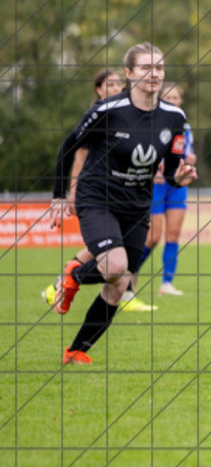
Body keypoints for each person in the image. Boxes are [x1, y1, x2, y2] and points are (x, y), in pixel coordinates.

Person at [47, 43, 198, 365]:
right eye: (145, 67)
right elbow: (67, 147)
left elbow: (170, 172)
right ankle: (72, 277)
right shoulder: (107, 110)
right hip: (97, 198)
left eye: (159, 67)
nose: (153, 74)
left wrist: (179, 178)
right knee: (115, 268)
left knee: (118, 285)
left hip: (136, 205)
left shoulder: (174, 118)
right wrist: (60, 196)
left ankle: (75, 352)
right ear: (129, 74)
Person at [41, 70, 157, 312]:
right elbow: (79, 155)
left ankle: (71, 283)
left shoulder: (126, 111)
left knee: (111, 250)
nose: (115, 88)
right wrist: (72, 192)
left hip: (122, 195)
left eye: (118, 84)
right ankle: (77, 284)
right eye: (110, 84)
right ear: (98, 88)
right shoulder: (100, 113)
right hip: (97, 194)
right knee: (110, 252)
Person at [138, 83, 197, 296]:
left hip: (177, 185)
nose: (172, 101)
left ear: (180, 101)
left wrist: (190, 159)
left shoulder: (184, 127)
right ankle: (128, 275)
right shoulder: (151, 123)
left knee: (173, 234)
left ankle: (166, 283)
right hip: (156, 185)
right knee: (153, 237)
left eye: (175, 97)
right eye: (168, 97)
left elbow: (185, 152)